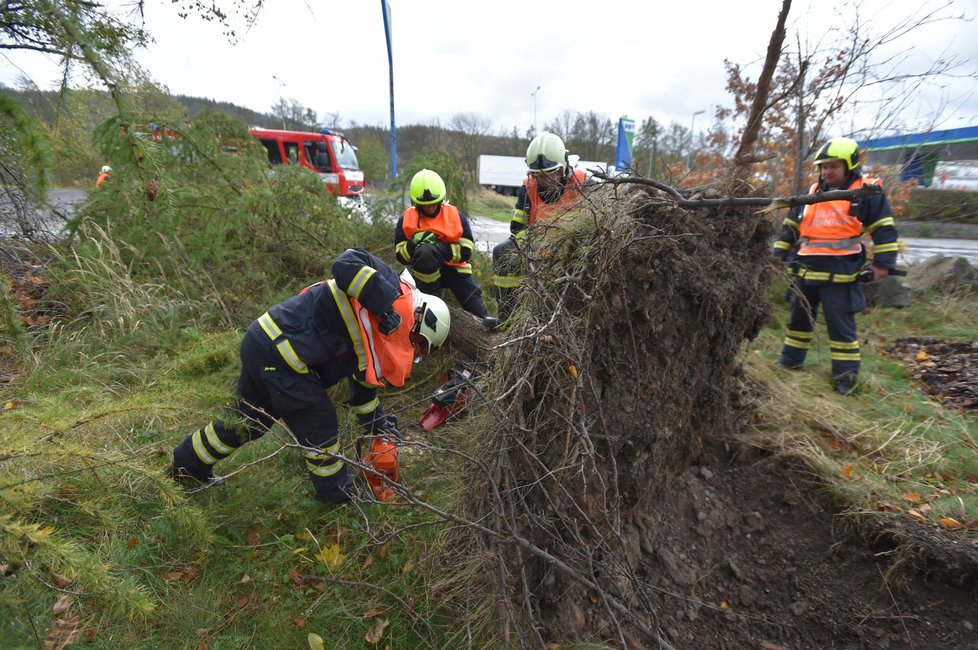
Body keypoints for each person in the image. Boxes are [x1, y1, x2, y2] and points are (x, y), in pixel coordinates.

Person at [169, 247, 451, 503]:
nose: (414, 348)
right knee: (320, 423)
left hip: (266, 346)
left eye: (421, 348)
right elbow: (345, 262)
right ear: (423, 317)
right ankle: (336, 496)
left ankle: (185, 466)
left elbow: (363, 390)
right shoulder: (390, 286)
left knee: (247, 422)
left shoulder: (385, 339)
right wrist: (381, 304)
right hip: (281, 354)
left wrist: (377, 425)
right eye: (419, 341)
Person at [772, 137, 899, 395]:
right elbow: (791, 229)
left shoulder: (865, 193)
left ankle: (845, 379)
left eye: (833, 166)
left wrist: (883, 264)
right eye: (823, 166)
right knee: (798, 322)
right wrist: (777, 256)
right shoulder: (811, 193)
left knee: (841, 329)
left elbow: (884, 230)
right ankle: (790, 361)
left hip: (841, 276)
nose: (826, 171)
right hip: (805, 272)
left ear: (849, 166)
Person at [490, 132, 588, 320]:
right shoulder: (528, 188)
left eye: (551, 174)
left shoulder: (584, 184)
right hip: (538, 245)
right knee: (503, 252)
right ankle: (507, 317)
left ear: (564, 166)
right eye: (539, 176)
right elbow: (518, 229)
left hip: (575, 248)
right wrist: (533, 248)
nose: (545, 181)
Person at [394, 169, 496, 328]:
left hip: (454, 270)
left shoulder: (455, 216)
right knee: (426, 253)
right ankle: (433, 307)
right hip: (424, 276)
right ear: (416, 204)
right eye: (425, 205)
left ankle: (485, 320)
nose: (430, 208)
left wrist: (441, 249)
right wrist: (412, 243)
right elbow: (401, 256)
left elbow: (466, 251)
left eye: (434, 204)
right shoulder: (407, 219)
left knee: (471, 295)